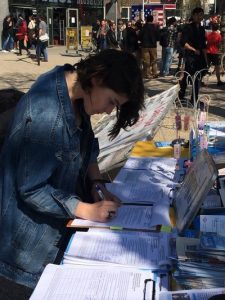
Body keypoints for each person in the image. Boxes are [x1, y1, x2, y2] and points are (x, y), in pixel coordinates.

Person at [0, 49, 144, 291]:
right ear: (98, 78)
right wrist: (86, 209)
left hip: (52, 234)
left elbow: (87, 147)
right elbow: (32, 188)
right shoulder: (46, 114)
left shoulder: (75, 91)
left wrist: (96, 182)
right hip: (25, 254)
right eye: (112, 102)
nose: (109, 111)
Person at [178, 7, 208, 106]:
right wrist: (194, 50)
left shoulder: (202, 29)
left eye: (202, 14)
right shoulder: (188, 27)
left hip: (199, 58)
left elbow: (204, 45)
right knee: (189, 77)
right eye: (198, 14)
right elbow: (183, 43)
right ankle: (182, 97)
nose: (200, 17)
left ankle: (193, 99)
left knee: (196, 78)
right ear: (193, 15)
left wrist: (206, 59)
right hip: (191, 57)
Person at [139, 14, 160, 79]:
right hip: (153, 46)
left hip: (145, 46)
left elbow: (140, 36)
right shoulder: (155, 27)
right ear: (152, 20)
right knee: (154, 60)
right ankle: (155, 73)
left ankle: (148, 74)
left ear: (146, 20)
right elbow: (158, 37)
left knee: (146, 61)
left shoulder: (143, 27)